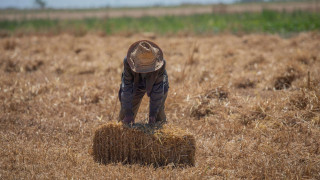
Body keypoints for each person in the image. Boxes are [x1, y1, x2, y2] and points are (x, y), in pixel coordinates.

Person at [118, 40, 169, 126]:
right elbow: (126, 88)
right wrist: (128, 113)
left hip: (156, 84)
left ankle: (159, 124)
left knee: (158, 115)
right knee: (124, 119)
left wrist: (153, 115)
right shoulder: (128, 62)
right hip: (136, 84)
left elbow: (158, 92)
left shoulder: (160, 65)